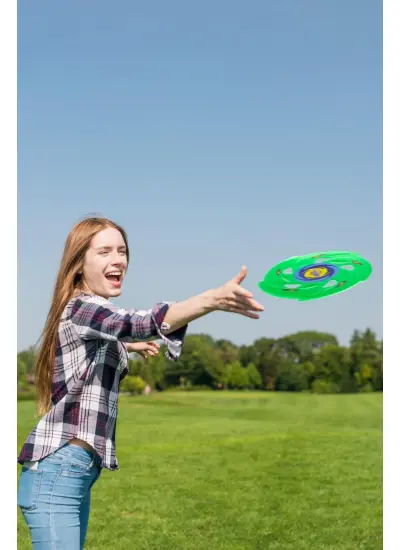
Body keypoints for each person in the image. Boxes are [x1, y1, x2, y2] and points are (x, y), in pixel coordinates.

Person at [17, 216, 264, 549]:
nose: (118, 259)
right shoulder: (82, 307)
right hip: (58, 472)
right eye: (104, 251)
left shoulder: (88, 314)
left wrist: (126, 345)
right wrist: (211, 300)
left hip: (71, 472)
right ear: (78, 264)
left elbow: (111, 333)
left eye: (122, 251)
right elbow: (136, 322)